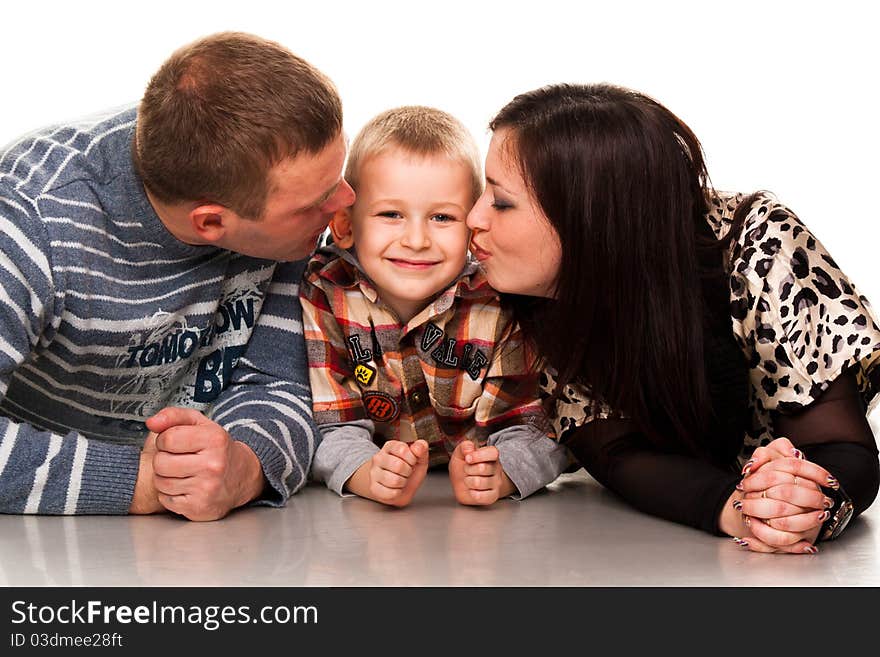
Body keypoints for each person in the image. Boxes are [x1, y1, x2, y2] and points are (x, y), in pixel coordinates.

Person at [465, 83, 880, 552]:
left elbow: (843, 445)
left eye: (500, 201)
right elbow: (614, 451)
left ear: (590, 217)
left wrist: (808, 503)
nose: (473, 217)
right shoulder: (533, 292)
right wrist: (735, 509)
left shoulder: (758, 246)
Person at [0, 32, 355, 520]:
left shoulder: (284, 208)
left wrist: (244, 467)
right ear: (210, 222)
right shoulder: (29, 219)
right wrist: (144, 484)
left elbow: (283, 382)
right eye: (319, 201)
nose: (347, 202)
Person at [300, 106, 567, 507]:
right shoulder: (325, 291)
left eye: (442, 217)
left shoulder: (498, 299)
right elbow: (332, 423)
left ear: (473, 224)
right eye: (392, 214)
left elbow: (534, 424)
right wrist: (366, 473)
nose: (417, 240)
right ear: (345, 224)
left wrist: (503, 472)